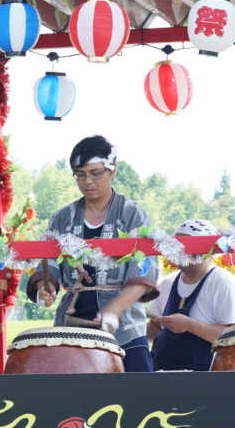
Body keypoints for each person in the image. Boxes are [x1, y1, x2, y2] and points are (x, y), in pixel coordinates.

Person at [26, 136, 159, 371]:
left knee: (140, 385)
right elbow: (49, 262)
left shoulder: (132, 214)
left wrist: (114, 309)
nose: (87, 181)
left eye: (95, 173)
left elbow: (144, 270)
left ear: (112, 169)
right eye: (80, 174)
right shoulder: (63, 217)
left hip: (124, 325)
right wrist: (44, 287)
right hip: (72, 320)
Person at [144, 219, 235, 371]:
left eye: (192, 246)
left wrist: (189, 325)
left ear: (211, 251)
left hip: (204, 375)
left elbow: (234, 337)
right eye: (178, 246)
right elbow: (156, 326)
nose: (184, 251)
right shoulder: (167, 282)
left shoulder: (223, 282)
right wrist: (129, 331)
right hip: (161, 370)